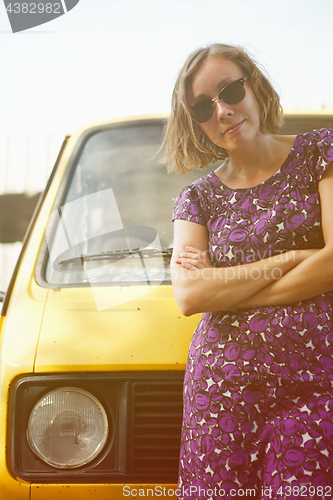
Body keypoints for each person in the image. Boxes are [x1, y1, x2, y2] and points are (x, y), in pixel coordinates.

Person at [161, 43, 333, 499]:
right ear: (196, 122)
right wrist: (291, 259)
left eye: (230, 89)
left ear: (253, 85)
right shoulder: (196, 199)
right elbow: (190, 297)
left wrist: (233, 292)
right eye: (202, 106)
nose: (222, 110)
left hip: (315, 385)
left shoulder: (321, 152)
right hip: (221, 395)